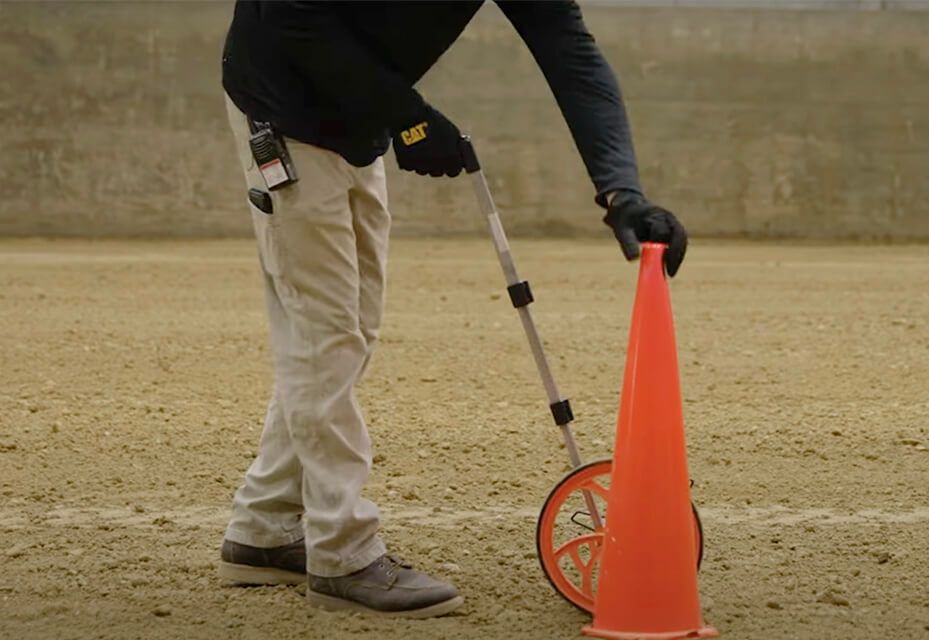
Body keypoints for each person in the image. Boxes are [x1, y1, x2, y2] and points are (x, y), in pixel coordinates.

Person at [216, 0, 687, 619]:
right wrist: (409, 116)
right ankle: (342, 553)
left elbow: (568, 50)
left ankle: (264, 528)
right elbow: (291, 19)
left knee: (351, 330)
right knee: (325, 334)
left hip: (357, 119)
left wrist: (621, 188)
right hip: (282, 107)